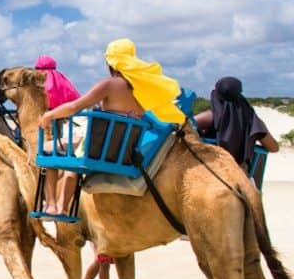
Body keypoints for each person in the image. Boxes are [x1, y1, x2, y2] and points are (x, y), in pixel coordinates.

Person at [37, 39, 184, 220]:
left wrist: (48, 117)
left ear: (111, 62)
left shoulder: (108, 85)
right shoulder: (142, 91)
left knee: (48, 149)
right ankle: (62, 207)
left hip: (97, 151)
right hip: (122, 153)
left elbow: (74, 107)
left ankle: (52, 206)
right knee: (72, 162)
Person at [33, 55, 81, 216]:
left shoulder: (39, 81)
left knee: (49, 151)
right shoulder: (62, 80)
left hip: (47, 121)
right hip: (64, 121)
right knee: (59, 145)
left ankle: (50, 203)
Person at [194, 77, 279, 168]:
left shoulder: (208, 117)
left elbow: (184, 128)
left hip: (210, 168)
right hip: (240, 171)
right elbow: (274, 148)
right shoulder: (252, 120)